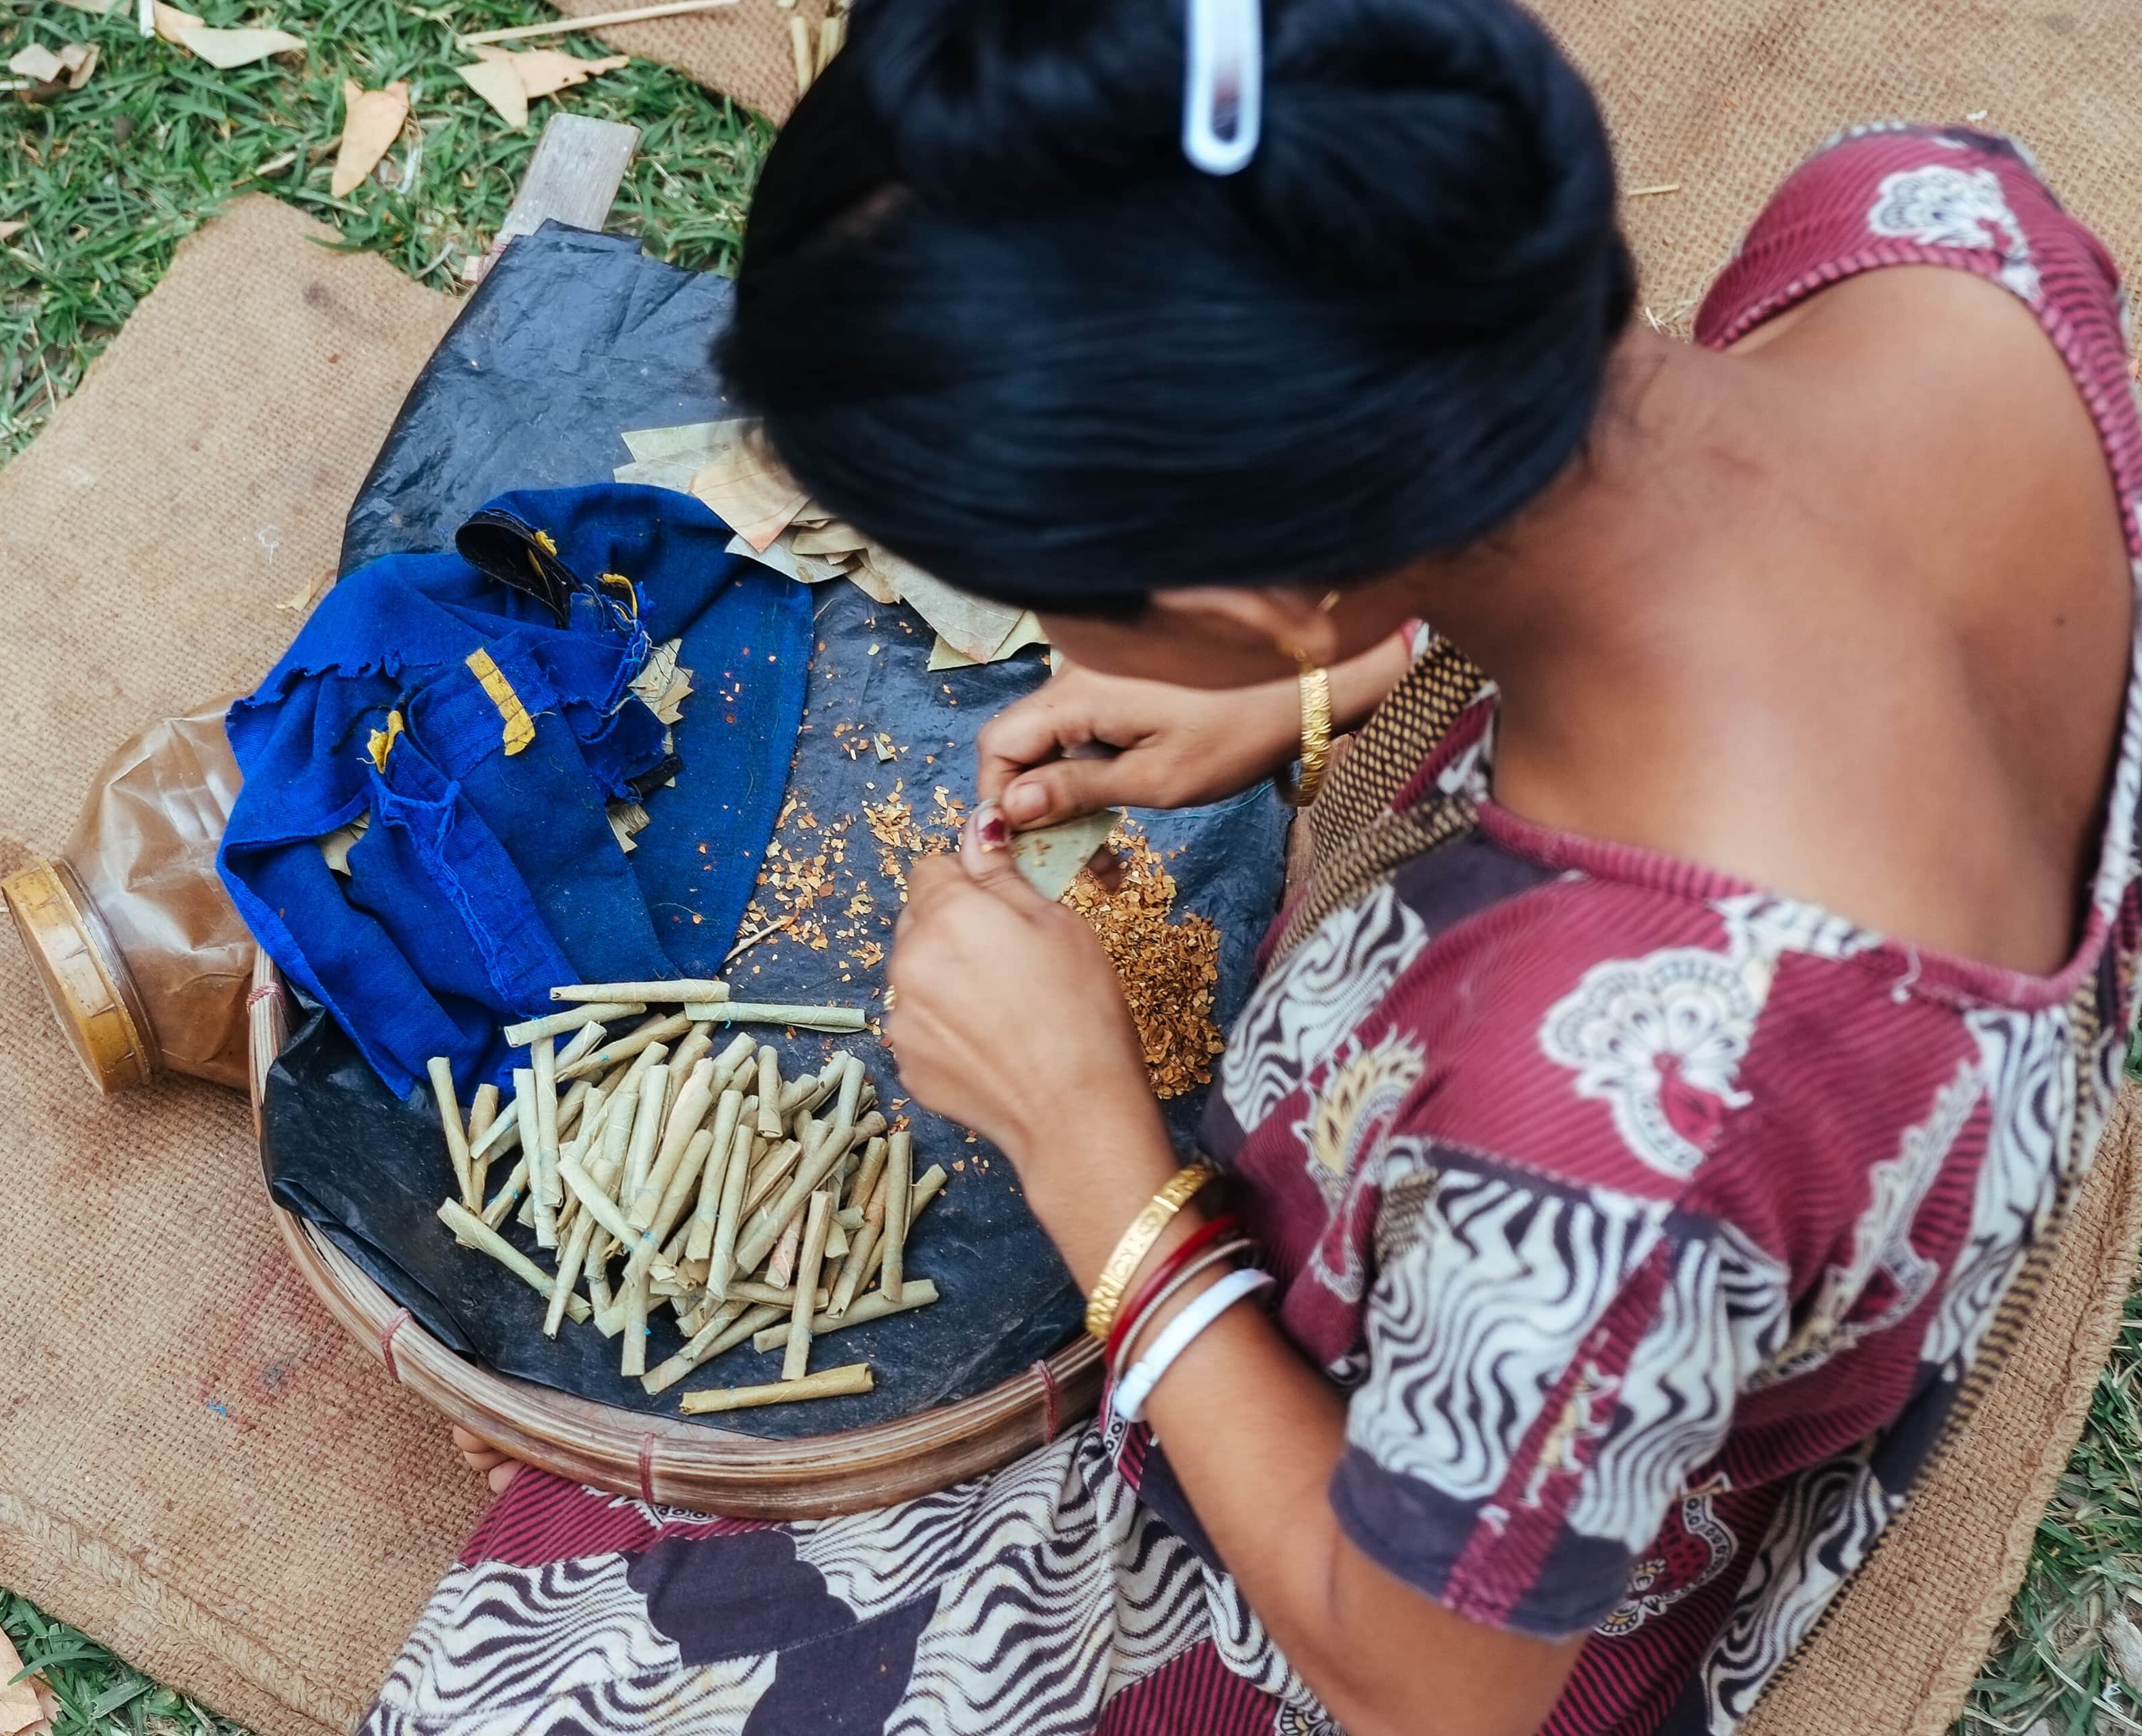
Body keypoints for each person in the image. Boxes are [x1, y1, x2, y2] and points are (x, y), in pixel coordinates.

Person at [374, 0, 2142, 1730]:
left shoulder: (1601, 1133)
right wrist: (1333, 678)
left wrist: (1092, 1154)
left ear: (1248, 596)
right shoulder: (1929, 219)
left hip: (1513, 1517)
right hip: (1874, 981)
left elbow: (1436, 1686)